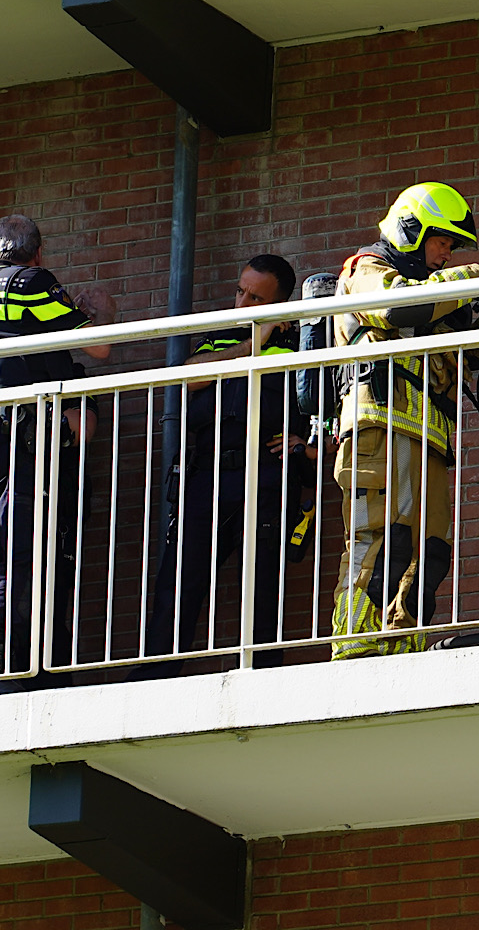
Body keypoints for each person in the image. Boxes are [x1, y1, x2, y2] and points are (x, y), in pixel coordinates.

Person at [0, 215, 113, 694]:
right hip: (26, 440)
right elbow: (96, 347)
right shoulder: (31, 281)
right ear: (36, 254)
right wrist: (99, 313)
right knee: (26, 549)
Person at [330, 183, 479, 659]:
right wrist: (467, 281)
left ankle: (401, 645)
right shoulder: (367, 269)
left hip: (429, 439)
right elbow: (394, 306)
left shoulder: (435, 295)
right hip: (378, 429)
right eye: (442, 242)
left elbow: (477, 356)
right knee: (381, 540)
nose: (446, 255)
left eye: (451, 247)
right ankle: (356, 643)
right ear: (410, 229)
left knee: (429, 553)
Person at [132, 255, 315, 679]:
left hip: (267, 474)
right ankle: (157, 674)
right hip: (209, 474)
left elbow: (323, 399)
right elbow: (187, 378)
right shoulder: (223, 338)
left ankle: (260, 673)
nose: (241, 303)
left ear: (280, 302)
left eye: (255, 297)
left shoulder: (301, 343)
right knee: (179, 581)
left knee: (262, 584)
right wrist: (250, 346)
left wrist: (306, 446)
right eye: (240, 291)